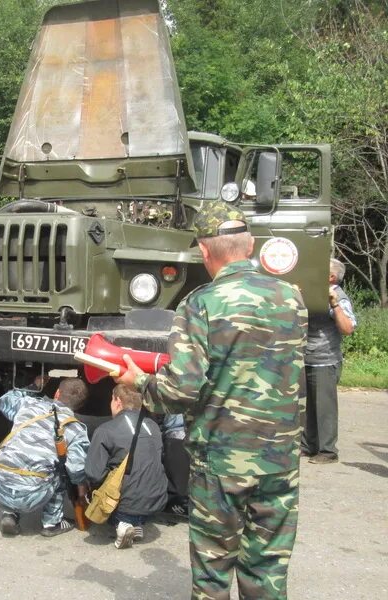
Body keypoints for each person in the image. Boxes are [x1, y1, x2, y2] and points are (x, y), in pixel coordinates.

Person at [116, 202, 308, 599]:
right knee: (268, 569)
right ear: (251, 244)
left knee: (213, 571)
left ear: (204, 252)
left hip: (222, 461)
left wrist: (138, 381)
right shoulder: (291, 297)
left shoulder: (200, 304)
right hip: (280, 459)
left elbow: (181, 390)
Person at [0, 377, 90, 537]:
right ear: (80, 406)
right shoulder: (76, 428)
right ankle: (52, 523)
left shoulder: (28, 404)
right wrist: (81, 491)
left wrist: (34, 385)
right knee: (62, 470)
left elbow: (4, 401)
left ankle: (10, 514)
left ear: (57, 393)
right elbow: (77, 470)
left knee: (15, 461)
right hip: (33, 496)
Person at [85, 385, 167, 549]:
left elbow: (94, 474)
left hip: (126, 505)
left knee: (96, 477)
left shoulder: (106, 430)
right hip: (158, 501)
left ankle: (122, 523)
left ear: (117, 401)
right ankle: (137, 522)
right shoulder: (153, 425)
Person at [302, 257, 357, 464]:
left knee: (324, 408)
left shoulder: (339, 297)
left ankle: (327, 451)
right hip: (306, 357)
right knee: (307, 407)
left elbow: (348, 328)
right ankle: (308, 446)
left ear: (331, 277)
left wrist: (333, 304)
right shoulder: (313, 294)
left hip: (325, 360)